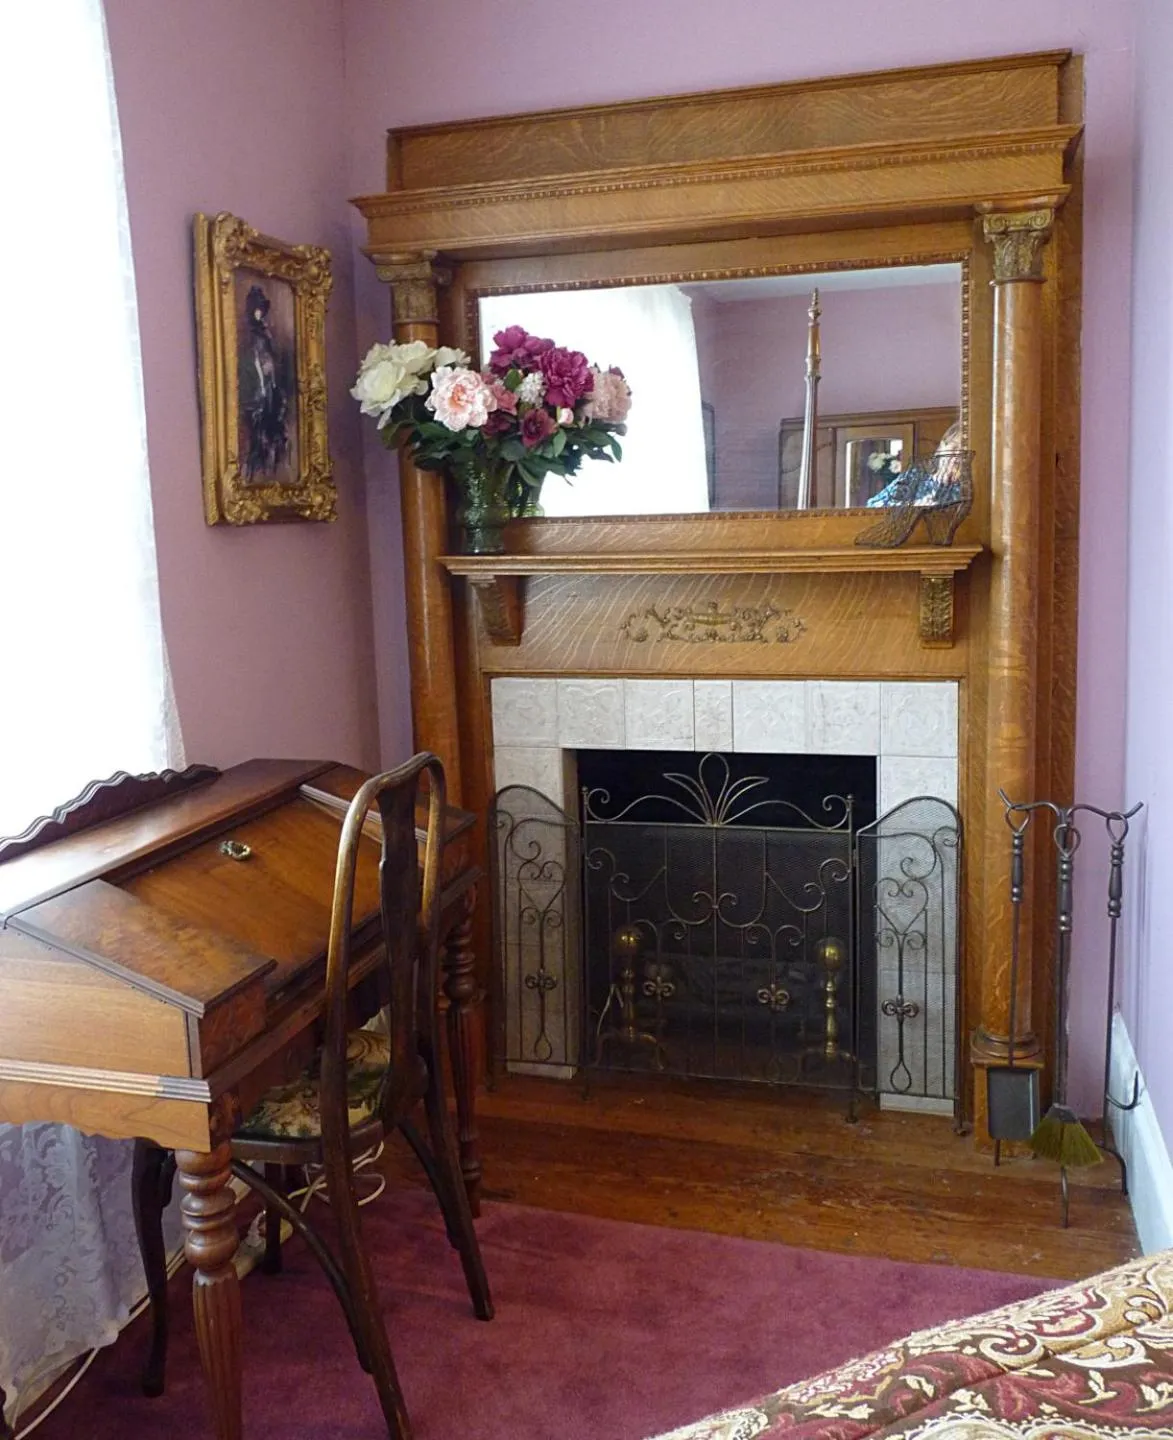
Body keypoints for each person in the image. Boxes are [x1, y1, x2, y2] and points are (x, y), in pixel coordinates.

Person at [241, 283, 290, 479]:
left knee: (275, 426)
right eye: (257, 309)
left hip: (269, 385)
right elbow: (253, 357)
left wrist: (271, 366)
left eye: (262, 309)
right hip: (259, 389)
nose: (260, 313)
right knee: (259, 437)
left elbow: (271, 354)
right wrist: (261, 366)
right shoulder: (252, 335)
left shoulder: (265, 332)